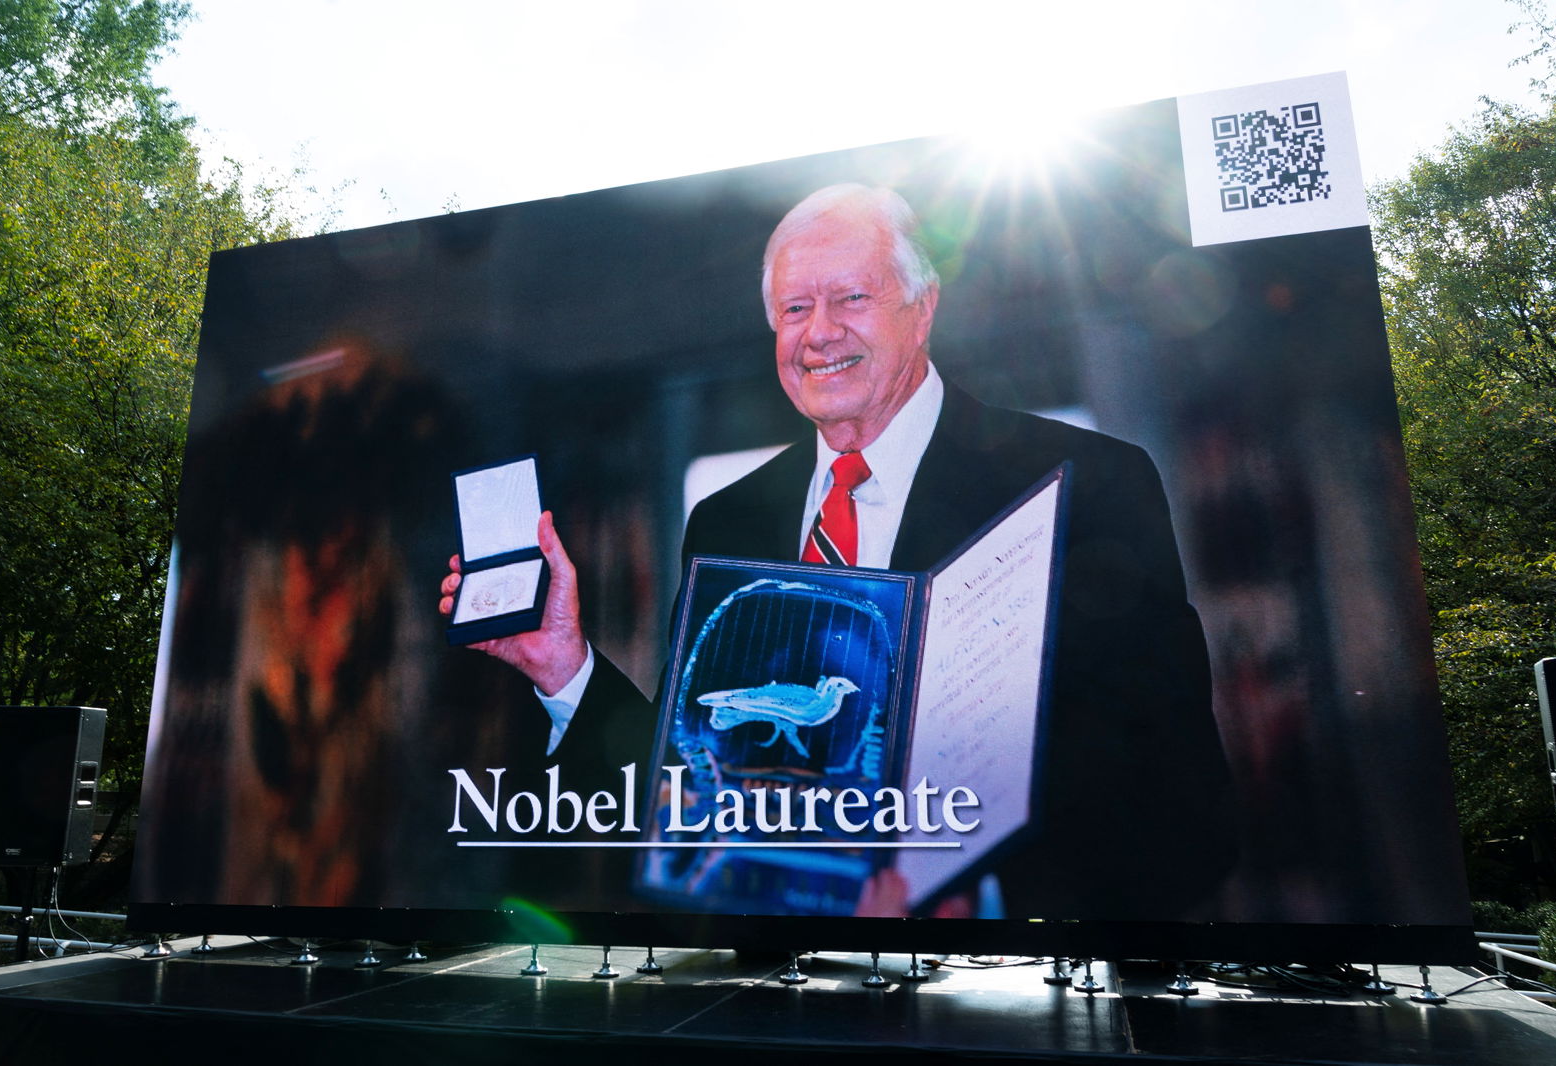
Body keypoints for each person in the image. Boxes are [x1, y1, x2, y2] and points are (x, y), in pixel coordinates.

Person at [440, 183, 1234, 920]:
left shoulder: (1084, 484)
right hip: (767, 993)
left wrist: (979, 905)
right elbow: (687, 780)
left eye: (852, 297)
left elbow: (1183, 805)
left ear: (923, 307)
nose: (819, 332)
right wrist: (565, 665)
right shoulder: (727, 520)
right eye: (795, 308)